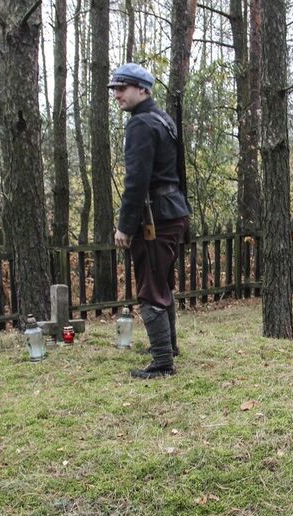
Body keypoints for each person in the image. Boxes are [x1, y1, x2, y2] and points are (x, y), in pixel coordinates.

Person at [109, 63, 191, 379]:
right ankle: (166, 347)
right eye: (115, 88)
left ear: (142, 89)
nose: (117, 94)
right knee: (163, 283)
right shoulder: (164, 119)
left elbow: (137, 181)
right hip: (173, 211)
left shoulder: (142, 124)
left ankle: (162, 363)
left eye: (123, 87)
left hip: (156, 216)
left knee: (151, 288)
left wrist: (125, 226)